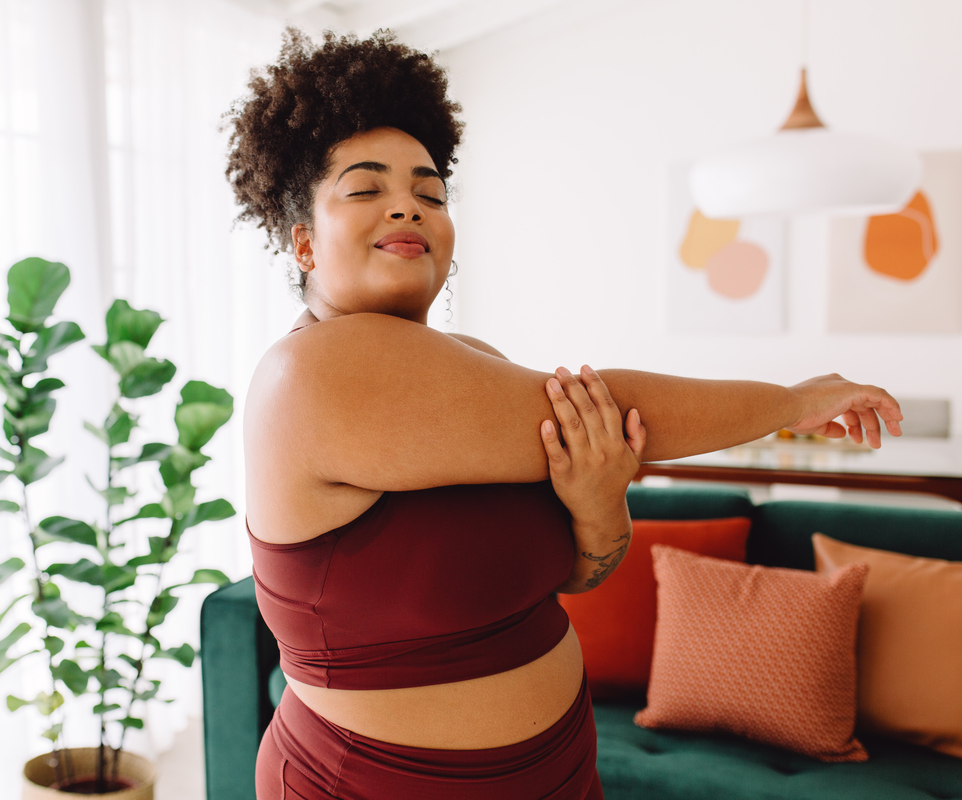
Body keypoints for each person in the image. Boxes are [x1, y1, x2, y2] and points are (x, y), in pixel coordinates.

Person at [225, 28, 903, 800]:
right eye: (366, 188)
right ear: (304, 242)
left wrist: (597, 502)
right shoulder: (309, 373)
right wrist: (796, 401)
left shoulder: (473, 360)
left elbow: (582, 573)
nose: (408, 206)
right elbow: (606, 409)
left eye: (431, 191)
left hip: (557, 772)